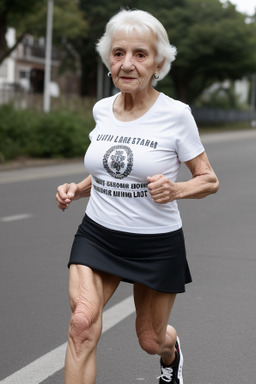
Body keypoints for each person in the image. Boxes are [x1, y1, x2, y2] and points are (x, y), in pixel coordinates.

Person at [56, 9, 219, 384]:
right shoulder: (102, 110)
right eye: (118, 53)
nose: (127, 64)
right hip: (98, 235)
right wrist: (77, 188)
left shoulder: (176, 115)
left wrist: (176, 189)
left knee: (150, 339)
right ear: (108, 58)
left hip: (155, 244)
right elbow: (108, 170)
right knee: (82, 323)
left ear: (158, 62)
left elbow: (209, 180)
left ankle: (171, 354)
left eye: (140, 54)